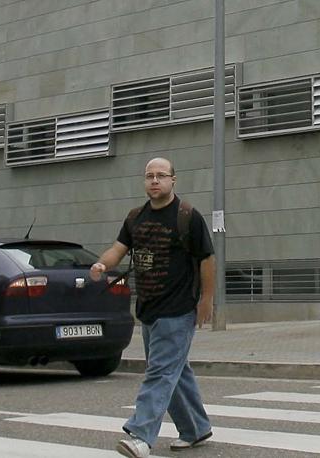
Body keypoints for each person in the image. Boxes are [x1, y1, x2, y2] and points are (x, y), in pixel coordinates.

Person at [90, 157, 215, 457]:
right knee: (175, 371)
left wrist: (206, 300)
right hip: (148, 309)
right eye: (150, 176)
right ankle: (196, 428)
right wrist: (101, 264)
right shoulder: (135, 217)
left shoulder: (188, 216)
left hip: (179, 309)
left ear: (174, 179)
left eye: (161, 176)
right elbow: (118, 249)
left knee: (160, 372)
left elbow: (207, 260)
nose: (155, 181)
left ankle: (140, 435)